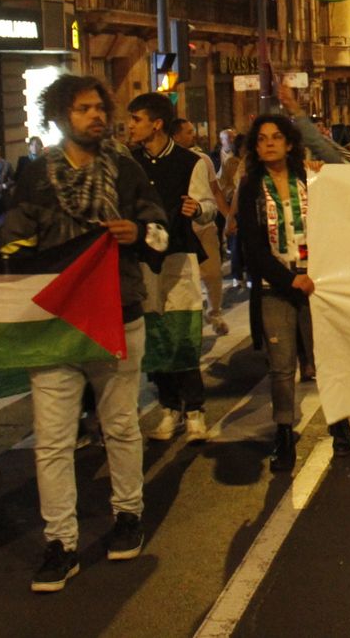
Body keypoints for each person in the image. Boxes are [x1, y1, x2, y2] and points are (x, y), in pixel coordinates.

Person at [0, 74, 168, 593]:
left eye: (99, 107)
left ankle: (128, 515)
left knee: (120, 425)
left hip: (118, 312)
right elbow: (13, 240)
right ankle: (61, 543)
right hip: (55, 324)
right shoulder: (35, 175)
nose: (95, 116)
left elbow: (161, 229)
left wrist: (138, 233)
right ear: (59, 117)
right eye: (82, 109)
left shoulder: (126, 168)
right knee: (52, 440)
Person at [235, 115, 350, 470]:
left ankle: (340, 424)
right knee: (282, 366)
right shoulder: (250, 186)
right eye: (262, 139)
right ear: (255, 147)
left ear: (289, 144)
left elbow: (337, 217)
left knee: (326, 357)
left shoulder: (310, 177)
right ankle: (284, 432)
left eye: (276, 137)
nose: (269, 143)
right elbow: (252, 246)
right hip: (276, 287)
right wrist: (288, 280)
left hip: (317, 282)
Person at [125, 95, 217, 443]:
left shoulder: (190, 162)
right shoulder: (129, 163)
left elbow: (208, 206)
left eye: (136, 119)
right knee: (154, 333)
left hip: (179, 255)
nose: (130, 126)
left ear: (157, 123)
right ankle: (168, 407)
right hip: (142, 259)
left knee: (183, 331)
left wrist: (199, 209)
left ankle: (194, 409)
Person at [173, 118, 229, 338]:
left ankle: (214, 313)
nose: (193, 135)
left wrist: (229, 217)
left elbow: (215, 192)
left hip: (204, 226)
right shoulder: (168, 163)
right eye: (188, 132)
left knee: (213, 273)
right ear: (175, 135)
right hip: (180, 229)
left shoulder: (203, 159)